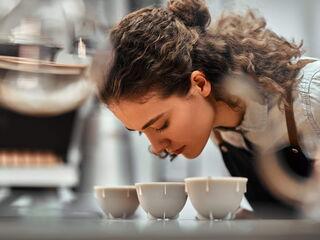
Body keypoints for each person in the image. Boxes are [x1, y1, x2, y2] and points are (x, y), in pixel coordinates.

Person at [92, 0, 320, 218]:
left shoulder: (310, 93)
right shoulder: (218, 127)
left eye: (161, 124)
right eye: (142, 131)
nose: (156, 147)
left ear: (200, 84)